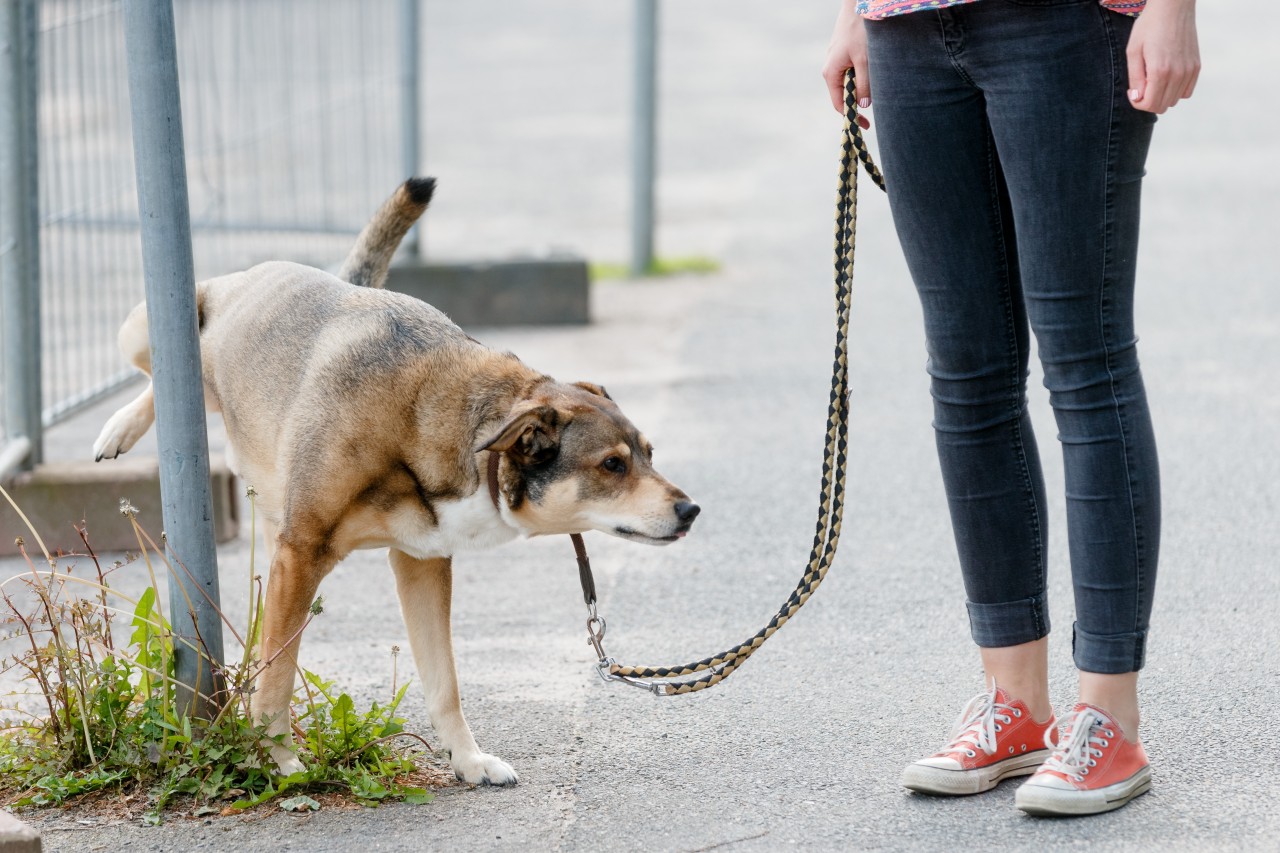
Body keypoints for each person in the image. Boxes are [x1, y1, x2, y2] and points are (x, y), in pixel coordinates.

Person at [822, 0, 1199, 816]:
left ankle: (1110, 718)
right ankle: (1016, 706)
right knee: (966, 374)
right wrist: (854, 12)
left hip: (1065, 22)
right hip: (907, 25)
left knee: (1086, 362)